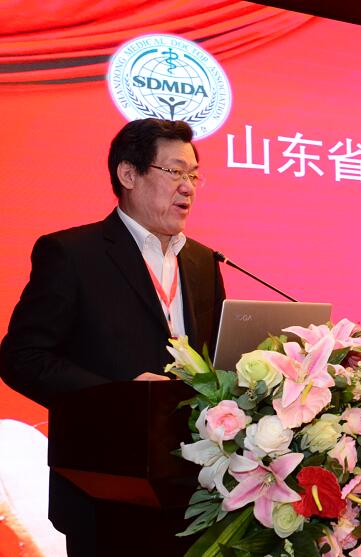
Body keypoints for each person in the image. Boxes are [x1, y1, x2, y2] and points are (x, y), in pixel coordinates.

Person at [0, 118, 225, 556]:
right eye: (175, 172)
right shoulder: (72, 254)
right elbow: (22, 356)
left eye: (194, 175)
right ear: (128, 174)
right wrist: (119, 397)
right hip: (105, 489)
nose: (188, 187)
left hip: (195, 493)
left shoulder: (203, 262)